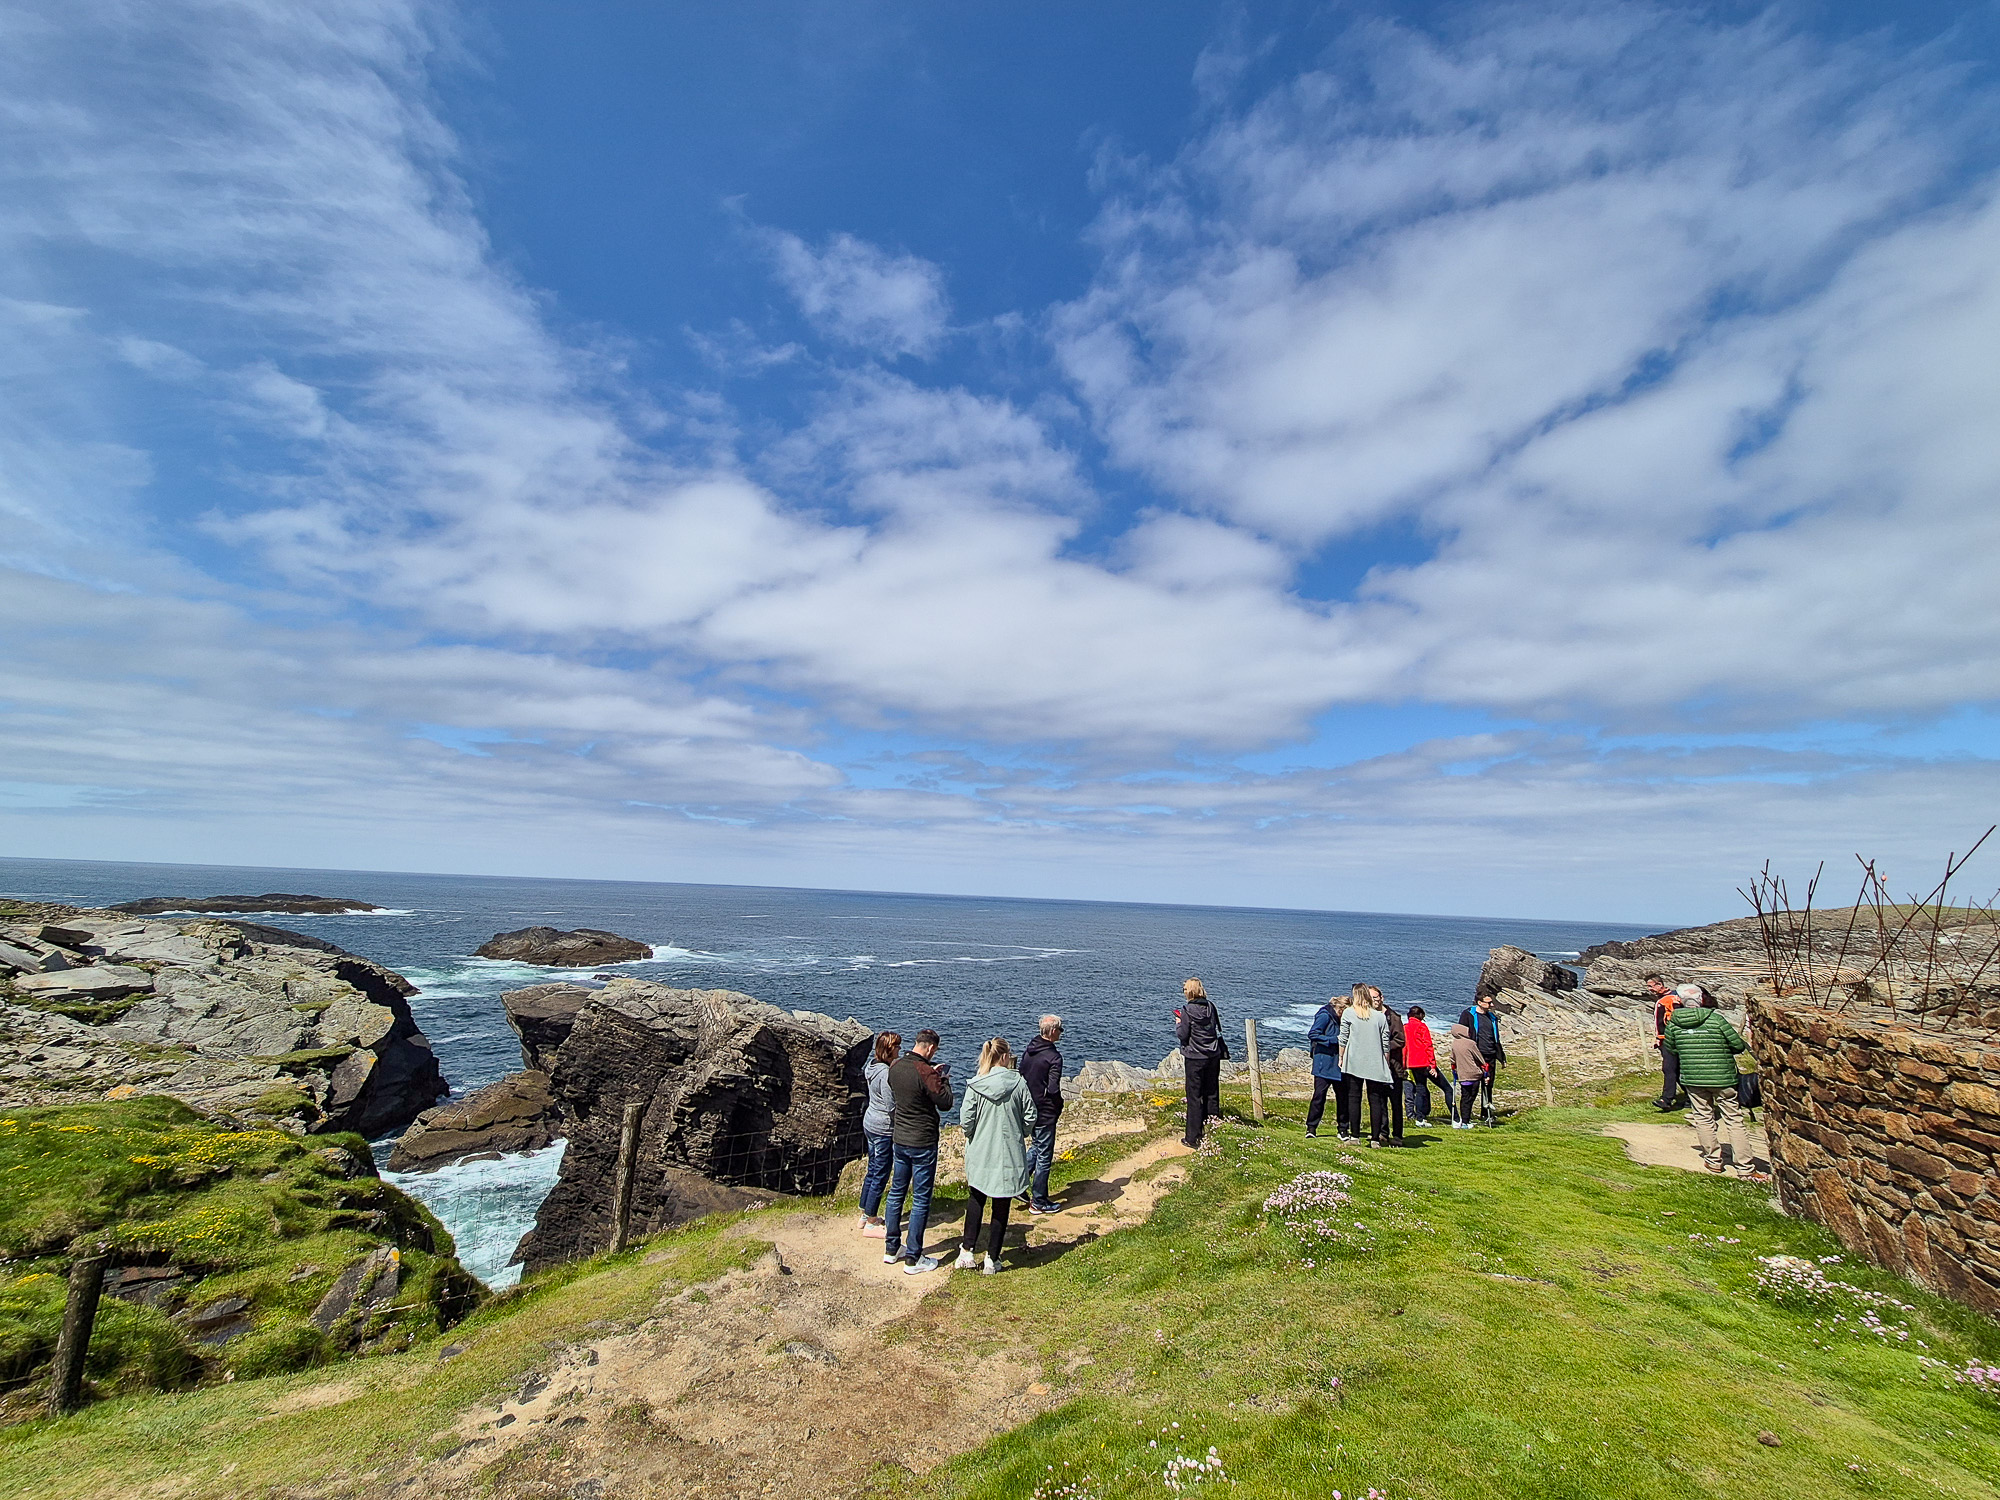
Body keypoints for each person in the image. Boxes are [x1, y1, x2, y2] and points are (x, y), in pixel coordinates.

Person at [1662, 985, 1769, 1182]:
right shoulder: (1715, 1019)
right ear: (1702, 999)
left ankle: (1713, 1159)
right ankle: (1745, 1166)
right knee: (1734, 1120)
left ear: (1680, 1002)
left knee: (1703, 1117)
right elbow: (1737, 1045)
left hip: (1693, 1077)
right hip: (1723, 1076)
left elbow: (1671, 1048)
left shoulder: (1674, 1023)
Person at [957, 1037, 1038, 1273]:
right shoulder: (1018, 1084)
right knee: (1002, 1204)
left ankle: (967, 1251)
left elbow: (966, 1121)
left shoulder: (976, 1084)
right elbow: (1030, 1116)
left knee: (976, 1200)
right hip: (1008, 1153)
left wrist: (973, 1134)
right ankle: (992, 1258)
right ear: (1005, 1056)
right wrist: (1019, 1132)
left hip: (981, 1151)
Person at [882, 1027, 954, 1273]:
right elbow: (945, 1103)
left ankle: (891, 1248)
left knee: (896, 1193)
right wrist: (942, 1078)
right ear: (931, 1048)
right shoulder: (926, 1071)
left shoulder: (895, 1067)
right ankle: (914, 1256)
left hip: (900, 1138)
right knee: (921, 1198)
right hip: (922, 1141)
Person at [1338, 987, 1396, 1147]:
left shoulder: (1349, 1013)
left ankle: (1355, 1136)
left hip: (1354, 1060)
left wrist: (1341, 1057)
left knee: (1354, 1098)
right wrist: (1385, 1062)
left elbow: (1343, 1038)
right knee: (1376, 1100)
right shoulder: (1379, 1016)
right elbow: (1386, 1044)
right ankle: (1375, 1139)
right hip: (1375, 1061)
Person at [1019, 1015, 1065, 1212]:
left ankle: (1017, 1183)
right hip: (1045, 1110)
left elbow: (1021, 1074)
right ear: (1053, 1031)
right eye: (1060, 1029)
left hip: (1028, 1106)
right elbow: (1053, 1088)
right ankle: (1039, 1201)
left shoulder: (1029, 1051)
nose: (1061, 1032)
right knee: (1045, 1155)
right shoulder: (1054, 1057)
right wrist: (1058, 1104)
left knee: (1037, 1147)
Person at [1175, 978, 1228, 1147]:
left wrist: (1178, 1023)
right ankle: (1213, 1127)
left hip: (1195, 1057)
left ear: (1189, 992)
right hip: (1212, 1055)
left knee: (1194, 1096)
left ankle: (1192, 1137)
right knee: (1211, 1091)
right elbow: (1215, 1027)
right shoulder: (1211, 1007)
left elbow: (1183, 1035)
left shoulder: (1187, 1010)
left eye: (1185, 989)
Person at [857, 1031, 900, 1235]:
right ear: (890, 1050)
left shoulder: (871, 1067)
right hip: (883, 1126)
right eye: (897, 1048)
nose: (900, 1051)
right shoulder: (885, 1074)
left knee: (872, 1167)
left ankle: (865, 1213)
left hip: (870, 1121)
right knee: (881, 1172)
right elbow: (891, 1105)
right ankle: (872, 1220)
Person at [1455, 988, 1506, 1126]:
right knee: (1472, 1087)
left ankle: (1486, 1114)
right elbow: (1461, 1034)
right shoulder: (1468, 1015)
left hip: (1490, 1055)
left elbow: (1496, 1038)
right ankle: (1466, 1118)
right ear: (1479, 1002)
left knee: (1488, 1086)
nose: (1492, 1005)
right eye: (1489, 1003)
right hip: (1475, 1055)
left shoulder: (1492, 1018)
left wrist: (1501, 1057)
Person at [1303, 992, 1345, 1137]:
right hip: (1324, 1061)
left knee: (1342, 1097)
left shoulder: (1340, 1020)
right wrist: (1334, 1040)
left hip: (1339, 1063)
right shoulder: (1325, 1016)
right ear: (1341, 1009)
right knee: (1319, 1096)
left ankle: (1343, 1128)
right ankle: (1311, 1127)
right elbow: (1313, 1034)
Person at [1647, 974, 1687, 1112]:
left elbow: (1665, 1021)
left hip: (1669, 1040)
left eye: (1651, 986)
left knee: (1669, 1068)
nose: (1649, 989)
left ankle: (1666, 1099)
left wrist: (1660, 1038)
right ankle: (1690, 1097)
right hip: (1673, 1038)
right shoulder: (1674, 996)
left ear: (1659, 985)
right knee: (1677, 1069)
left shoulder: (1667, 1000)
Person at [1372, 985, 1407, 1144]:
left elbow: (1400, 1040)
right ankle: (1382, 1132)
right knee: (1379, 1102)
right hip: (1376, 1066)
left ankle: (1398, 1135)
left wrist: (1382, 1046)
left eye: (1375, 997)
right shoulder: (1370, 1016)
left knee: (1395, 1103)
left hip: (1394, 1067)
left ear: (1381, 998)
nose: (1373, 1001)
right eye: (1370, 998)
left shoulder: (1393, 1017)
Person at [1402, 1006, 1443, 1127]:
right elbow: (1428, 1045)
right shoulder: (1421, 1026)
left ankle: (1414, 1114)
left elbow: (1404, 1047)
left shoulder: (1405, 1027)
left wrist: (1403, 1063)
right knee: (1422, 1089)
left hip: (1409, 1063)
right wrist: (1432, 1064)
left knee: (1412, 1090)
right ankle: (1421, 1116)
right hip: (1422, 1062)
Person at [1448, 1021, 1485, 1129]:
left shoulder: (1455, 1043)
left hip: (1462, 1075)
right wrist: (1484, 1066)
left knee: (1465, 1098)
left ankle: (1463, 1120)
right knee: (1471, 1097)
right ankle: (1466, 1120)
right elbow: (1480, 1058)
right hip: (1474, 1073)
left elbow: (1452, 1059)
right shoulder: (1470, 1043)